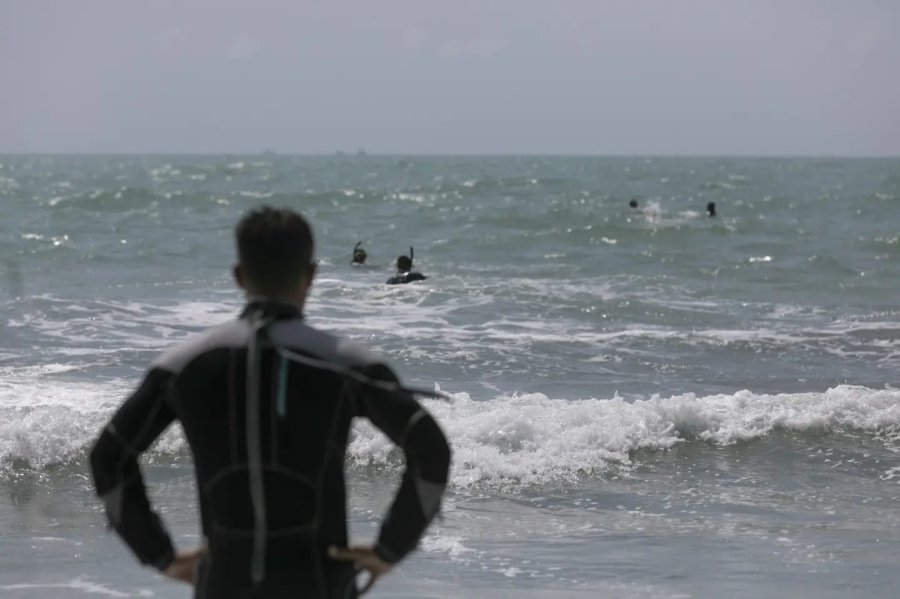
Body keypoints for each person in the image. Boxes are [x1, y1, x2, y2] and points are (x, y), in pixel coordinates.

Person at [89, 207, 451, 598]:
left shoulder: (181, 366)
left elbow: (109, 457)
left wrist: (158, 554)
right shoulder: (349, 365)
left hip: (224, 583)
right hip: (321, 582)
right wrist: (390, 547)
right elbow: (431, 451)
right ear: (311, 275)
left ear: (239, 276)